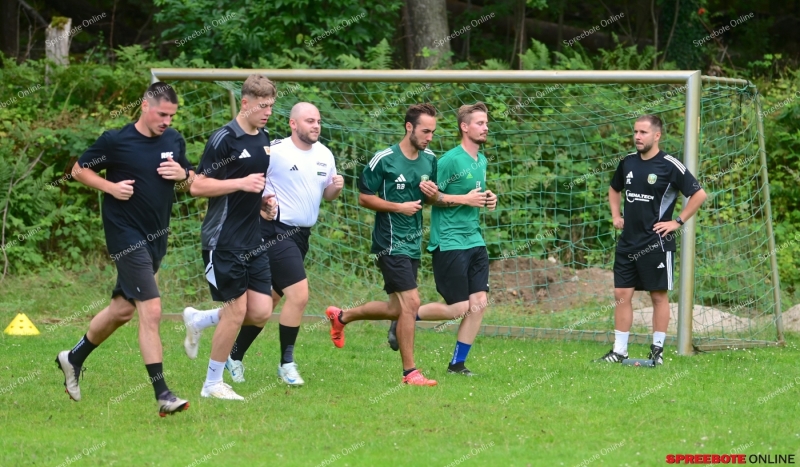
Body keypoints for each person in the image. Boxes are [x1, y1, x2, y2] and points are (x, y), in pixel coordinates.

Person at [55, 82, 193, 416]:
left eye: (171, 116)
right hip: (125, 236)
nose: (166, 121)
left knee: (121, 310)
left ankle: (72, 358)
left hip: (155, 238)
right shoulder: (116, 141)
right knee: (152, 309)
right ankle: (163, 394)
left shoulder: (174, 140)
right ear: (145, 106)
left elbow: (191, 180)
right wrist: (110, 187)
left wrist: (183, 174)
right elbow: (78, 170)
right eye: (162, 114)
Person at [183, 102, 342, 386]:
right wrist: (263, 206)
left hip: (302, 236)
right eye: (309, 121)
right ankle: (287, 364)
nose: (316, 125)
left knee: (265, 305)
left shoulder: (325, 154)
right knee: (299, 295)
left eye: (318, 121)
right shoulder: (276, 150)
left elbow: (327, 194)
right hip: (274, 232)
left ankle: (216, 335)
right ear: (294, 124)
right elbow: (253, 183)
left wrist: (335, 189)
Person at [325, 103, 439, 386]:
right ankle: (410, 372)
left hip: (413, 244)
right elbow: (364, 197)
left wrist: (433, 194)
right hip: (389, 243)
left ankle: (342, 316)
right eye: (425, 131)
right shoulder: (383, 159)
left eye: (433, 132)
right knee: (412, 303)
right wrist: (397, 207)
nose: (430, 137)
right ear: (409, 127)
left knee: (395, 309)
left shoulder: (431, 160)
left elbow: (432, 198)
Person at [189, 74, 276, 400]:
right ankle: (212, 383)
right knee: (237, 311)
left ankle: (200, 319)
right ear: (245, 103)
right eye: (262, 106)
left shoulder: (264, 138)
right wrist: (240, 184)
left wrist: (264, 203)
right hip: (222, 239)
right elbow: (197, 186)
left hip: (253, 237)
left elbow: (255, 185)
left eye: (271, 105)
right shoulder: (223, 139)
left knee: (261, 311)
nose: (267, 112)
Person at [596, 114, 707, 365]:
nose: (637, 136)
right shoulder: (627, 163)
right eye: (635, 132)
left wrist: (677, 221)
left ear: (657, 136)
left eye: (643, 132)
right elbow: (615, 188)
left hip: (656, 243)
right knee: (622, 293)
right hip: (628, 242)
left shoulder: (669, 165)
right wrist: (616, 215)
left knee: (658, 296)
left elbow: (699, 194)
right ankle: (619, 350)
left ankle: (657, 351)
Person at [411, 101, 497, 376]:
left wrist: (488, 198)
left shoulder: (480, 159)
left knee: (479, 303)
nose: (485, 127)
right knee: (458, 308)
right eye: (480, 123)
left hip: (474, 240)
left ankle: (457, 365)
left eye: (486, 123)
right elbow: (430, 198)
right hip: (449, 242)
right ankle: (405, 317)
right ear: (464, 127)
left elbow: (474, 194)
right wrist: (465, 199)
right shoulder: (448, 160)